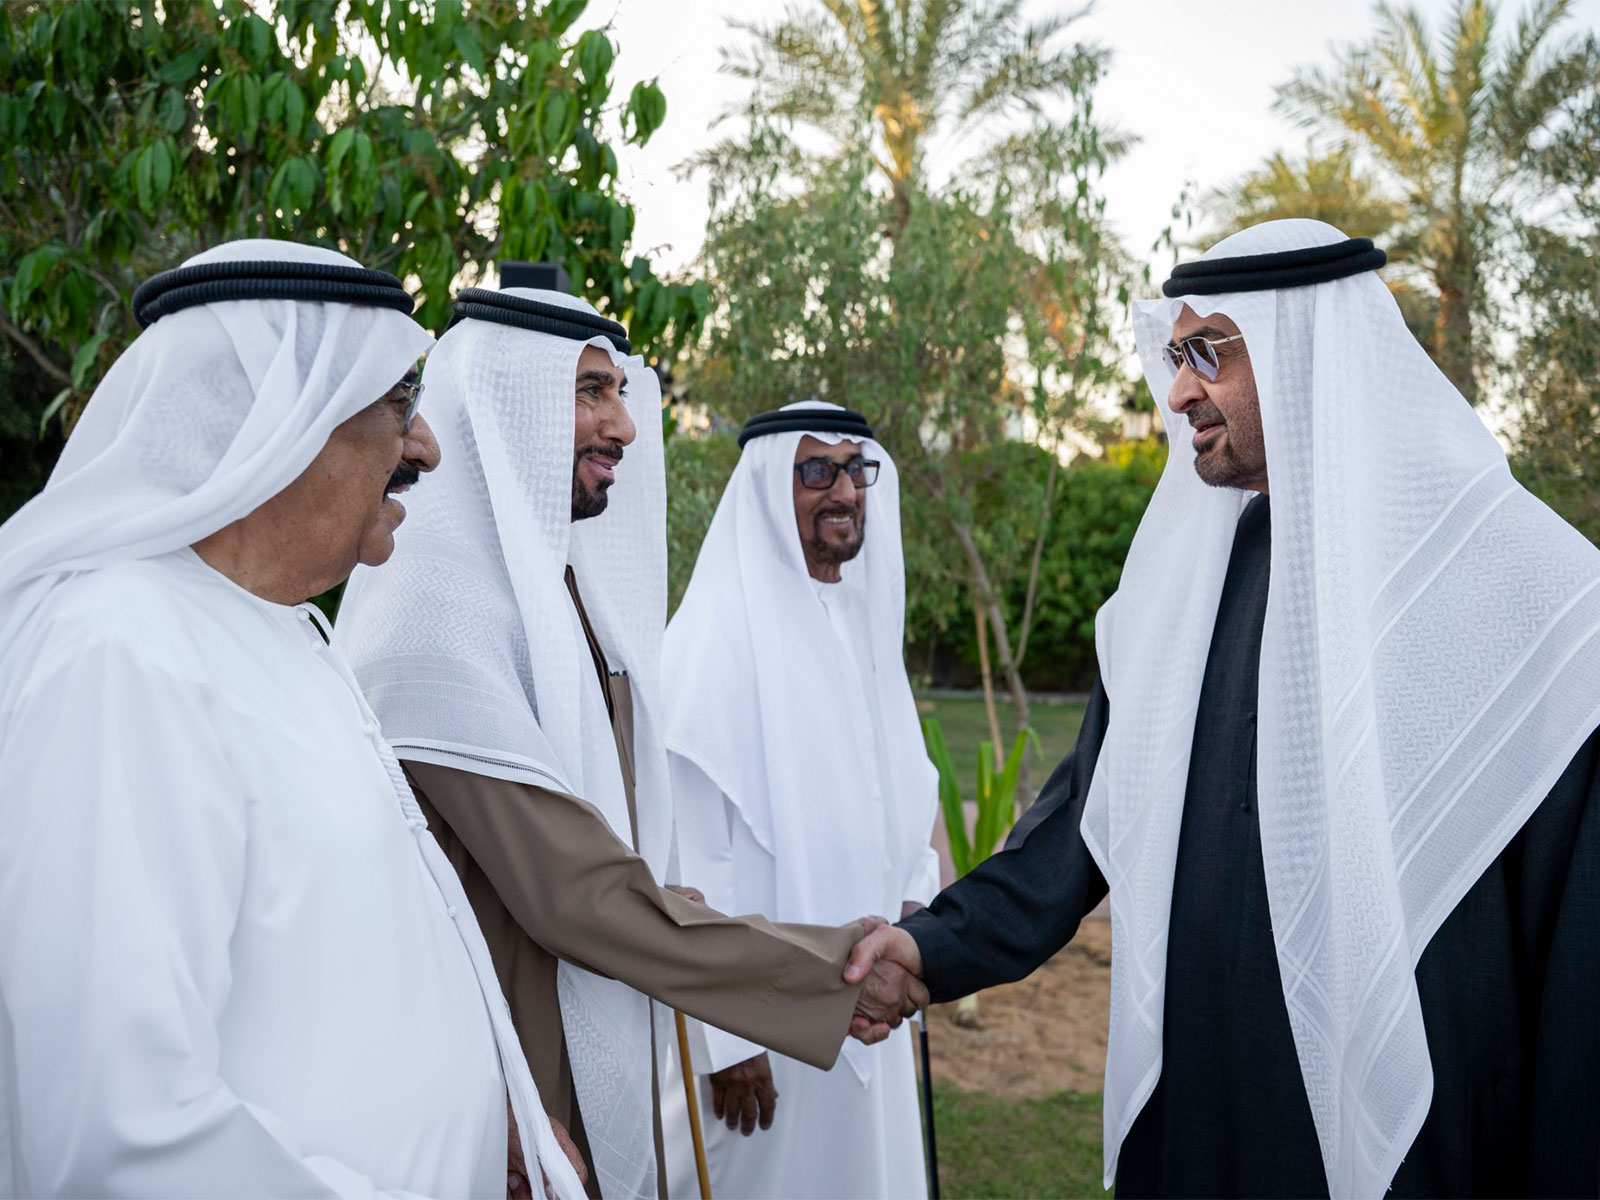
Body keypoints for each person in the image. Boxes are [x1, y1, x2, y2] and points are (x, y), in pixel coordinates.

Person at [846, 219, 1600, 1198]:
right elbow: (1079, 825)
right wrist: (930, 945)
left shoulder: (1531, 593)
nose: (1178, 392)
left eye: (1210, 353)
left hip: (1421, 1140)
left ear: (1306, 352)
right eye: (1175, 355)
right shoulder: (1187, 584)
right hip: (1202, 1121)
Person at [0, 242, 585, 1200]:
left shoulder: (289, 633)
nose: (426, 445)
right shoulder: (122, 654)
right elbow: (121, 1139)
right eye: (399, 404)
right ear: (285, 420)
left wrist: (493, 1116)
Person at [337, 289, 921, 1200]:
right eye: (590, 393)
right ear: (504, 400)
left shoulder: (554, 601)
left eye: (618, 392)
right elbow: (577, 893)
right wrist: (825, 972)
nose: (624, 426)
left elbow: (608, 852)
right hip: (497, 1064)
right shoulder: (434, 617)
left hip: (585, 1022)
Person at [659, 401, 940, 1199]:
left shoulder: (862, 622)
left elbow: (903, 788)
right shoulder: (714, 636)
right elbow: (687, 853)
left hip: (873, 1000)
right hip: (767, 1027)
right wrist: (724, 1039)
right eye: (814, 472)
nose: (844, 491)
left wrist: (919, 916)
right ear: (764, 491)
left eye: (855, 470)